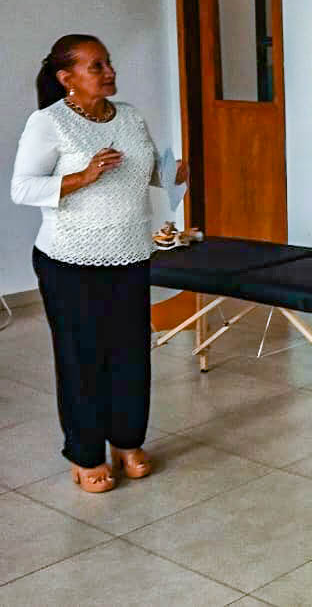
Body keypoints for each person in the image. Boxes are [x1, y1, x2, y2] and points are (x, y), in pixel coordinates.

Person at [10, 35, 187, 493]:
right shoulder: (48, 123)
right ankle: (86, 452)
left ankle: (127, 441)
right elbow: (22, 189)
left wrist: (172, 174)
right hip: (69, 260)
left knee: (131, 353)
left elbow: (143, 171)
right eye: (96, 66)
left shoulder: (129, 116)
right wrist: (84, 175)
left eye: (108, 63)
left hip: (129, 252)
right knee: (82, 357)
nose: (109, 72)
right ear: (65, 78)